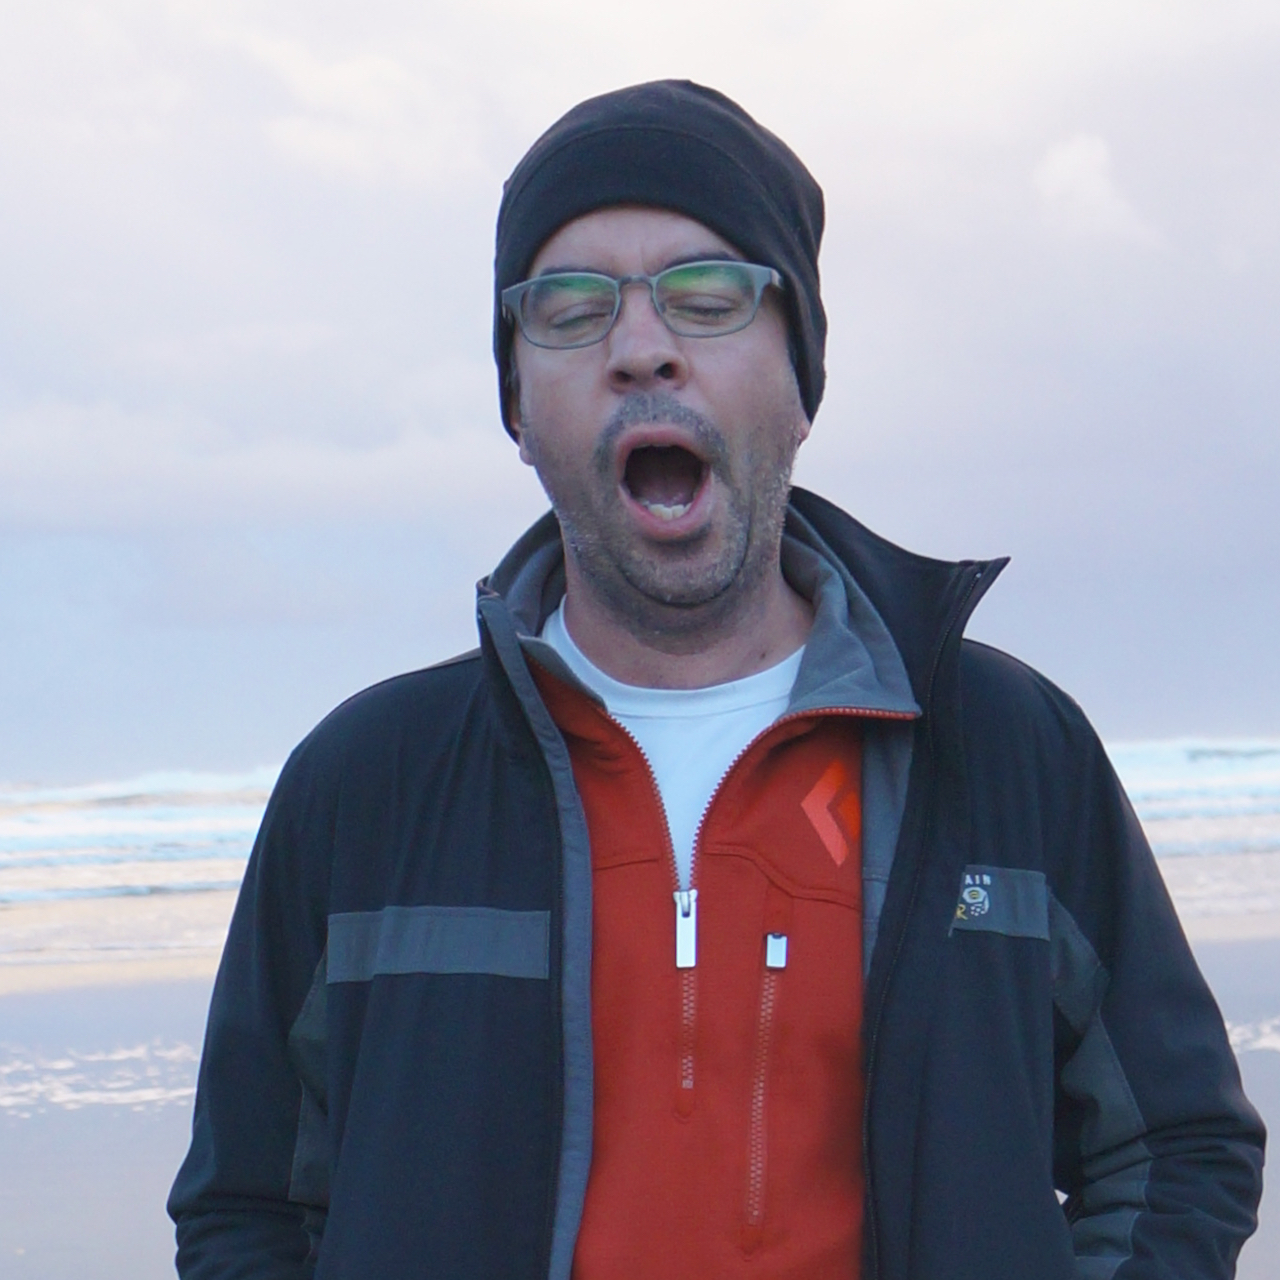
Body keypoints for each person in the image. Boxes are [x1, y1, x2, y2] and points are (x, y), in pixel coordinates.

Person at [169, 80, 1265, 1279]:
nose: (642, 347)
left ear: (798, 384)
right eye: (571, 310)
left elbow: (1173, 1145)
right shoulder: (362, 784)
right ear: (517, 408)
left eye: (706, 295)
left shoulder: (1004, 747)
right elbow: (247, 1206)